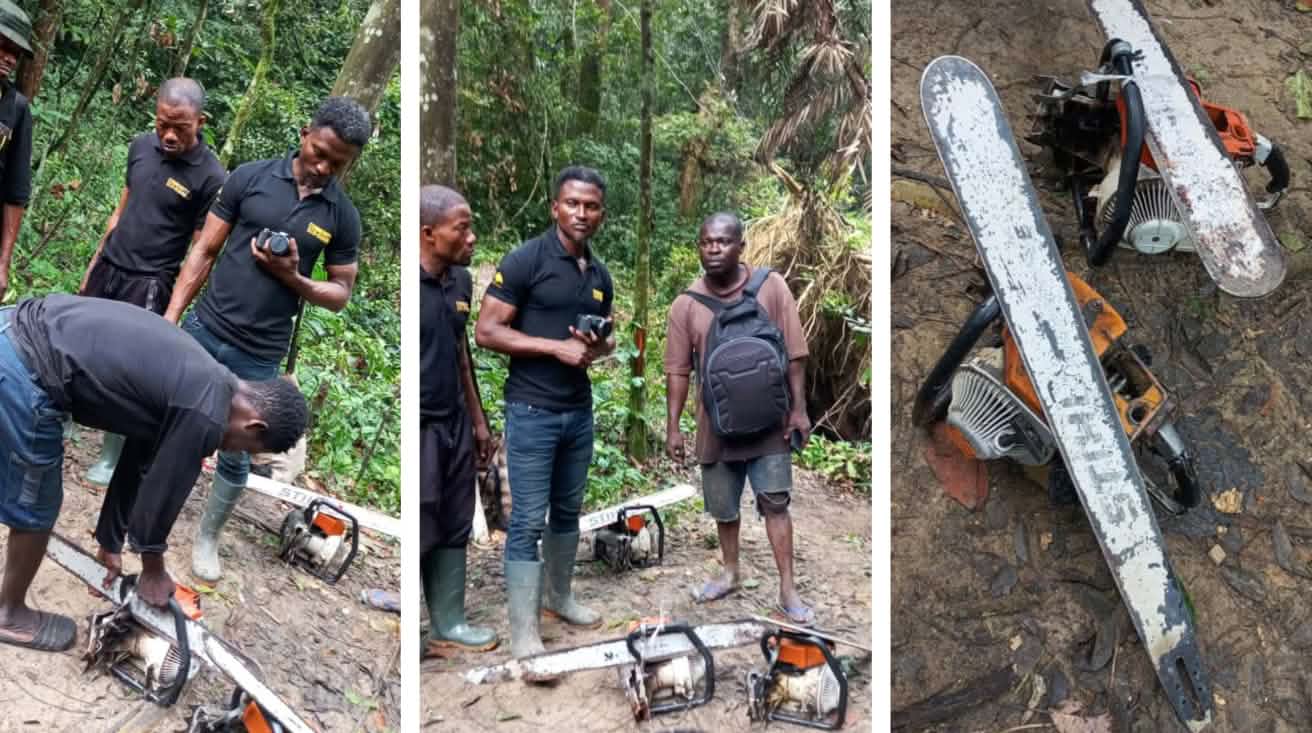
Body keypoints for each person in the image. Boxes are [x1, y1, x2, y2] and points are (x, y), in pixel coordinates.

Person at [0, 293, 307, 652]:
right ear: (254, 426)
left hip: (13, 325)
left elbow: (139, 462)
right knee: (37, 503)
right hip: (26, 367)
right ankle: (9, 614)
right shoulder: (206, 415)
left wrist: (109, 540)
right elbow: (160, 497)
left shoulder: (203, 380)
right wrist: (153, 570)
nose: (231, 450)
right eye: (244, 448)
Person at [160, 96, 369, 583]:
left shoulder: (342, 216)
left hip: (261, 352)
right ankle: (147, 513)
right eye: (318, 152)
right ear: (304, 133)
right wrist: (170, 317)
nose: (323, 166)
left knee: (236, 452)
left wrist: (294, 277)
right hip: (205, 328)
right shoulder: (249, 177)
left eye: (337, 163)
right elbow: (205, 248)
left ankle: (208, 538)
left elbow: (339, 293)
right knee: (167, 420)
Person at [475, 166, 615, 658]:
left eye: (591, 206)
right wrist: (555, 349)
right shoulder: (525, 261)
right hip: (532, 408)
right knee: (528, 520)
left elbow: (605, 340)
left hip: (578, 412)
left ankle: (560, 596)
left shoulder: (598, 275)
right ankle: (524, 630)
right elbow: (487, 331)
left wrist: (599, 345)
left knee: (568, 512)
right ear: (555, 206)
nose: (581, 213)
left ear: (601, 213)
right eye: (572, 203)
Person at [663, 212, 815, 625]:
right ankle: (730, 571)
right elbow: (678, 370)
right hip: (716, 425)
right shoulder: (686, 304)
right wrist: (673, 426)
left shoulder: (771, 287)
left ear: (741, 246)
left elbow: (796, 354)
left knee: (776, 502)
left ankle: (787, 587)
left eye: (723, 242)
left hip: (771, 421)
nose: (713, 249)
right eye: (706, 242)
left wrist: (799, 409)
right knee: (723, 507)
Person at [78, 77, 226, 486]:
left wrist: (174, 309)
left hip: (151, 280)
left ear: (201, 121)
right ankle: (65, 422)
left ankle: (110, 456)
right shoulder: (141, 147)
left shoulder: (211, 176)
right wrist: (93, 265)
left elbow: (202, 251)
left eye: (180, 126)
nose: (169, 134)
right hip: (112, 264)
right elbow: (120, 210)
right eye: (163, 123)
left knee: (129, 368)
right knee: (81, 341)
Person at [419, 183, 496, 654]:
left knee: (454, 518)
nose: (471, 239)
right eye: (462, 229)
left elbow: (461, 353)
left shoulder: (461, 283)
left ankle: (448, 623)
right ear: (429, 233)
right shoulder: (413, 284)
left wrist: (478, 419)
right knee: (423, 517)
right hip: (422, 426)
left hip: (455, 422)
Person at [0, 1, 35, 303]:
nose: (9, 59)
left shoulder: (17, 110)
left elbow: (16, 192)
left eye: (15, 52)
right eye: (3, 46)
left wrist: (3, 263)